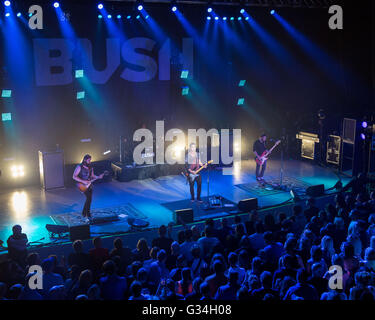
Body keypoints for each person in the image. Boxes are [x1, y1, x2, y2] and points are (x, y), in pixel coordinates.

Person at [73, 154, 105, 222]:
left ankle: (85, 213)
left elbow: (92, 176)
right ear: (84, 160)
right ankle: (87, 213)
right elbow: (74, 176)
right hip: (81, 185)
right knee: (89, 198)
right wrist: (83, 181)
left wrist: (98, 177)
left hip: (89, 184)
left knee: (89, 199)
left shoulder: (91, 167)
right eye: (89, 160)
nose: (90, 161)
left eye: (90, 160)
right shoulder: (79, 167)